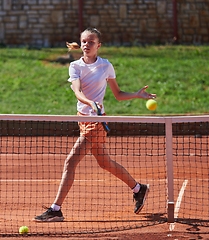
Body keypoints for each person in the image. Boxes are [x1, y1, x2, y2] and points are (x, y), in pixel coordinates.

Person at [34, 28, 156, 222]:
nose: (86, 45)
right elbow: (77, 91)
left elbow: (117, 94)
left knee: (70, 162)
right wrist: (89, 102)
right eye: (84, 41)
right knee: (104, 162)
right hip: (82, 118)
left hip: (96, 122)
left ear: (98, 45)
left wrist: (136, 94)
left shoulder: (106, 66)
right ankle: (138, 189)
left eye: (91, 42)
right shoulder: (74, 66)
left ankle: (56, 209)